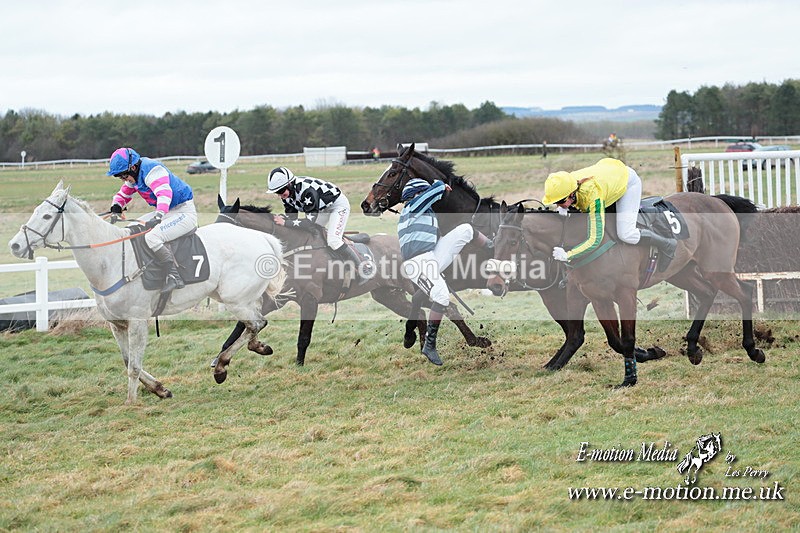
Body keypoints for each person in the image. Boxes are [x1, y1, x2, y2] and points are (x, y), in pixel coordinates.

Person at [398, 178, 494, 365]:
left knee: (465, 229)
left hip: (431, 256)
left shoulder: (424, 213)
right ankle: (430, 345)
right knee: (441, 296)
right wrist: (440, 185)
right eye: (423, 193)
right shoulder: (411, 207)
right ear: (415, 195)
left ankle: (492, 248)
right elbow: (430, 194)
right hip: (418, 263)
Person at [541, 157, 675, 268]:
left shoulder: (593, 197)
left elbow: (595, 240)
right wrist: (563, 207)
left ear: (571, 194)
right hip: (609, 173)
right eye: (555, 202)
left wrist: (568, 255)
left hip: (628, 182)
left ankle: (666, 244)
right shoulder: (567, 182)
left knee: (626, 234)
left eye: (560, 201)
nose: (558, 205)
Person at [107, 147, 197, 293]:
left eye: (123, 176)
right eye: (120, 178)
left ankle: (175, 276)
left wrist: (158, 216)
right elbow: (123, 194)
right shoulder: (134, 176)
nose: (123, 180)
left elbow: (164, 194)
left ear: (133, 167)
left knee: (152, 237)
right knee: (131, 227)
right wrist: (116, 206)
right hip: (168, 211)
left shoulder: (152, 170)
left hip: (184, 212)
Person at [267, 166, 373, 284]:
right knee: (310, 235)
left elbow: (309, 223)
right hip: (322, 209)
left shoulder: (307, 191)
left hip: (337, 206)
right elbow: (293, 218)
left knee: (333, 241)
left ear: (290, 184)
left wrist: (285, 222)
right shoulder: (286, 196)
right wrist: (283, 220)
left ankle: (364, 268)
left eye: (281, 191)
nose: (280, 195)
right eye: (277, 192)